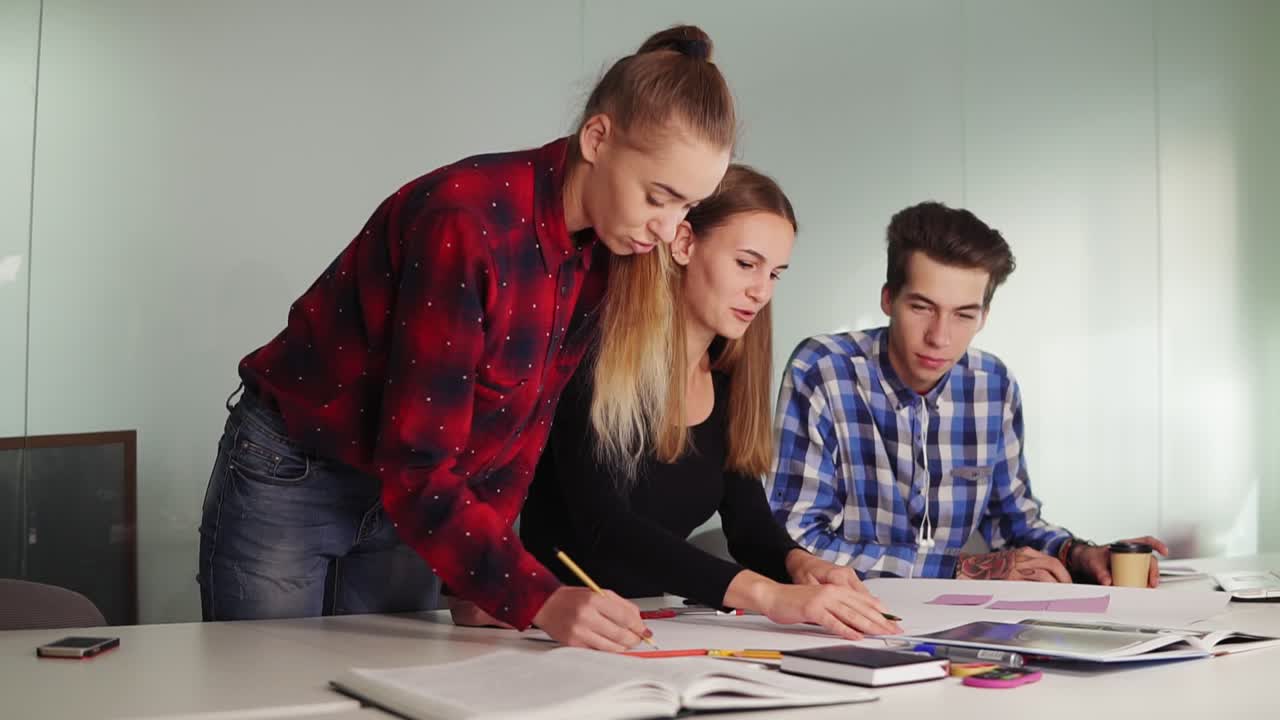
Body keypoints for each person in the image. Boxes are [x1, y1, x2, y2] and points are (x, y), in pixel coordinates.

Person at [197, 25, 735, 651]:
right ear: (597, 138)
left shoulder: (608, 253)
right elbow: (419, 461)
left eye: (686, 209)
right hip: (296, 471)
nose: (668, 230)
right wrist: (533, 595)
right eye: (657, 197)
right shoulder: (468, 221)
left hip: (408, 502)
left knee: (384, 690)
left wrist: (485, 582)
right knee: (264, 687)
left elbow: (520, 433)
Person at [518, 165, 900, 642]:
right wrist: (768, 597)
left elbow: (748, 525)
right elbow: (605, 527)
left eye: (775, 273)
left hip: (647, 628)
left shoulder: (726, 372)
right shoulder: (593, 355)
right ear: (682, 244)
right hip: (540, 632)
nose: (762, 291)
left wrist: (801, 565)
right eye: (746, 264)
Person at [767, 201, 1167, 585]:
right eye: (922, 307)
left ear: (984, 317)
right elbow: (797, 538)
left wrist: (1079, 554)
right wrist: (958, 568)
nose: (940, 337)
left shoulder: (994, 384)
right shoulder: (823, 369)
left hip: (954, 622)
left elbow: (1013, 521)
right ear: (888, 299)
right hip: (839, 615)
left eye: (963, 315)